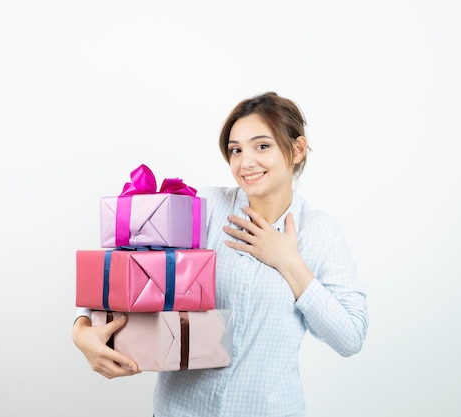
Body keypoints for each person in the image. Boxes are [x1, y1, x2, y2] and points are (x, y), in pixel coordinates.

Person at [72, 92, 369, 416]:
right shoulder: (206, 207)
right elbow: (123, 270)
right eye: (235, 150)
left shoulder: (321, 232)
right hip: (179, 409)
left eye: (262, 146)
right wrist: (82, 329)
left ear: (297, 150)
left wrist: (288, 262)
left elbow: (350, 337)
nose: (245, 162)